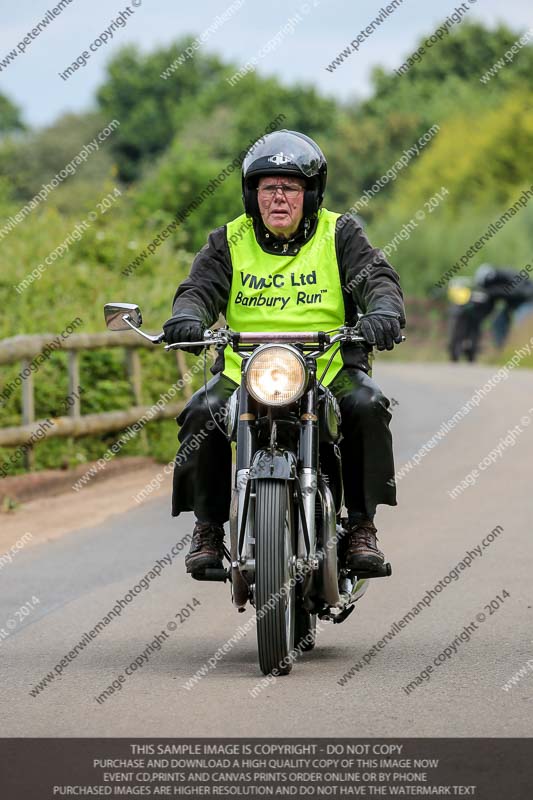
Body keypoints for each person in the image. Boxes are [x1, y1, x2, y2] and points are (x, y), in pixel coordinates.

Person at [163, 130, 406, 577]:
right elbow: (198, 289)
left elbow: (377, 280)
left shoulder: (340, 234)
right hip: (246, 369)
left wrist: (384, 311)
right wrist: (187, 316)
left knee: (367, 406)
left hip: (330, 366)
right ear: (251, 193)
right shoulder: (229, 240)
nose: (278, 197)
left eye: (290, 187)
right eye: (267, 186)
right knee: (202, 410)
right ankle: (208, 528)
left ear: (310, 193)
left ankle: (360, 525)